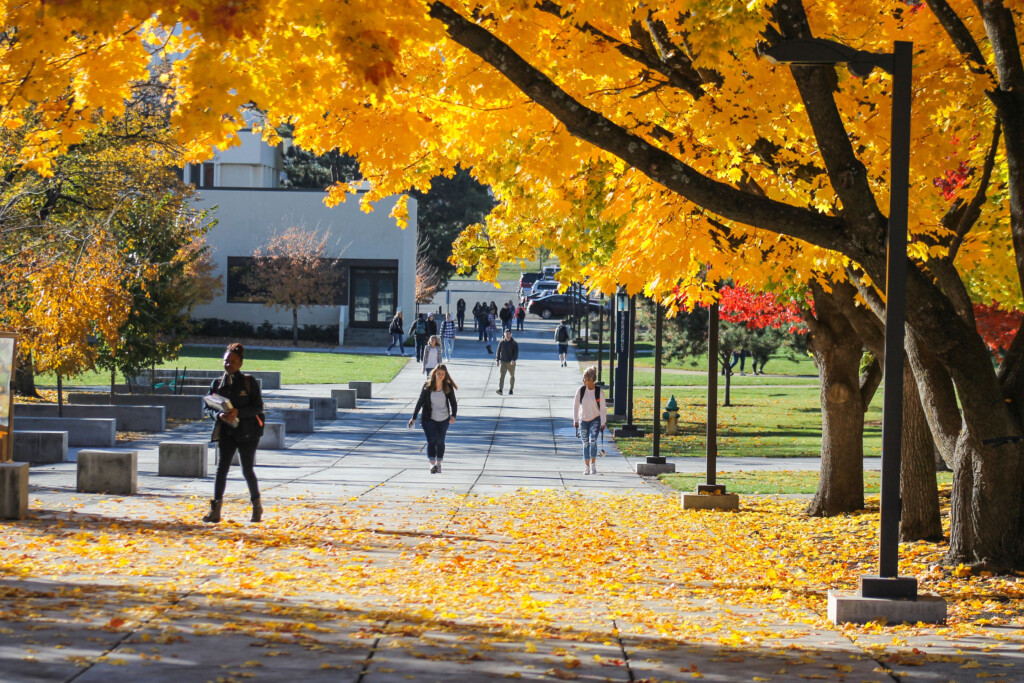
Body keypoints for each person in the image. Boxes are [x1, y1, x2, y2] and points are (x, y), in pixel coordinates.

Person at [203, 343, 265, 524]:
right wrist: (219, 415)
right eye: (226, 361)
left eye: (232, 361)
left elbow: (258, 407)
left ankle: (256, 507)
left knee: (247, 469)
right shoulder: (217, 384)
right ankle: (215, 510)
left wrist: (239, 412)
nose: (228, 364)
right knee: (221, 469)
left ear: (240, 363)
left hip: (248, 433)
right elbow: (207, 407)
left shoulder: (248, 382)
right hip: (226, 433)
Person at [408, 364, 458, 474]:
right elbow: (420, 401)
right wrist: (414, 417)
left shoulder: (447, 387)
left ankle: (438, 463)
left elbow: (453, 403)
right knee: (431, 440)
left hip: (444, 419)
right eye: (438, 373)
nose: (440, 376)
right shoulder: (427, 386)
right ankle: (431, 464)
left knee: (440, 441)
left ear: (445, 375)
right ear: (434, 373)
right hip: (428, 418)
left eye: (442, 374)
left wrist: (453, 415)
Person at [573, 365, 606, 475]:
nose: (583, 380)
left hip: (595, 420)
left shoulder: (599, 392)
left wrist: (603, 422)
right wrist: (575, 420)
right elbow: (576, 406)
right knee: (585, 443)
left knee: (593, 441)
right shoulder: (581, 390)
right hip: (583, 420)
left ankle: (593, 465)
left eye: (585, 378)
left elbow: (602, 409)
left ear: (591, 379)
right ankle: (586, 466)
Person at [494, 329, 519, 395]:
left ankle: (511, 390)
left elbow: (516, 353)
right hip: (503, 362)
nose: (507, 335)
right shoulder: (502, 342)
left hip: (511, 362)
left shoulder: (514, 343)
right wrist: (497, 360)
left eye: (508, 334)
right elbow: (498, 352)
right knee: (502, 376)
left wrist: (513, 359)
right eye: (506, 334)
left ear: (511, 334)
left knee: (512, 376)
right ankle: (500, 389)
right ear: (504, 335)